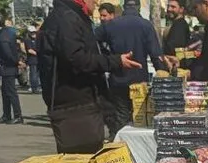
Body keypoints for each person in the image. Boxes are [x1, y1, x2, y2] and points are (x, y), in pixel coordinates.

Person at [39, 0, 141, 154]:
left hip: (82, 103)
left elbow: (85, 53)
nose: (96, 2)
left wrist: (113, 59)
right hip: (75, 105)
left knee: (89, 156)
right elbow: (77, 59)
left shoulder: (73, 16)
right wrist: (113, 61)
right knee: (80, 160)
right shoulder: (66, 18)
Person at [99, 0, 162, 137]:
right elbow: (155, 55)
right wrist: (164, 75)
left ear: (123, 6)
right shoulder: (146, 25)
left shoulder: (111, 25)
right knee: (139, 120)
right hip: (139, 81)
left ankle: (119, 145)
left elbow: (93, 40)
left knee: (120, 118)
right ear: (138, 7)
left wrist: (107, 56)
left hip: (118, 78)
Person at [0, 18, 21, 123]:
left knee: (10, 92)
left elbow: (7, 52)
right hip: (8, 66)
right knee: (6, 92)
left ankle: (17, 116)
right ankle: (7, 115)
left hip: (7, 66)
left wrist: (15, 61)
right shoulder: (9, 33)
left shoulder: (3, 35)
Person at [23, 24, 40, 94]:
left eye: (34, 32)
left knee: (37, 75)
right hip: (32, 60)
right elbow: (29, 50)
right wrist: (38, 54)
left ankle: (37, 87)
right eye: (32, 32)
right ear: (29, 33)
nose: (34, 33)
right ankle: (34, 88)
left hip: (38, 60)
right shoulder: (28, 40)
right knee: (33, 75)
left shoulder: (36, 39)